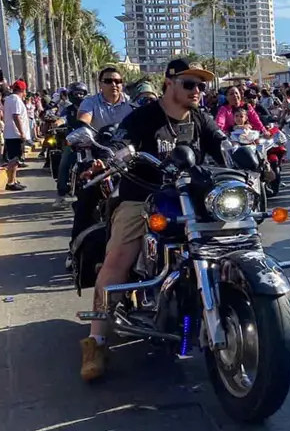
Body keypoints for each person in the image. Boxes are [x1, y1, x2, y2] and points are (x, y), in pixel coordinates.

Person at [79, 59, 225, 381]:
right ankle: (97, 340)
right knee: (117, 259)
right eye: (189, 84)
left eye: (202, 86)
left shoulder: (201, 118)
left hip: (190, 199)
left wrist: (248, 157)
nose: (197, 91)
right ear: (169, 82)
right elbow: (124, 141)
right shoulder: (144, 116)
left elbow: (220, 143)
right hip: (141, 196)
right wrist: (111, 156)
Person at [53, 82, 89, 207]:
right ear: (70, 95)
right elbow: (63, 118)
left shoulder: (89, 107)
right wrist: (57, 123)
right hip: (72, 140)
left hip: (90, 141)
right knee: (64, 163)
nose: (79, 96)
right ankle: (61, 194)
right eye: (76, 93)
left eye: (81, 93)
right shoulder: (68, 110)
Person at [78, 66, 133, 131]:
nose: (113, 84)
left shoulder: (132, 102)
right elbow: (83, 122)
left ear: (122, 84)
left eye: (117, 81)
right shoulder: (89, 102)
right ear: (100, 84)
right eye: (108, 81)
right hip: (97, 140)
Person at [2, 79, 30, 191]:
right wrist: (22, 132)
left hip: (11, 133)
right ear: (23, 90)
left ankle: (13, 179)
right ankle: (10, 182)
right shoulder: (16, 100)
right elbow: (16, 116)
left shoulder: (10, 99)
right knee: (14, 159)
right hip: (15, 134)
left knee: (16, 159)